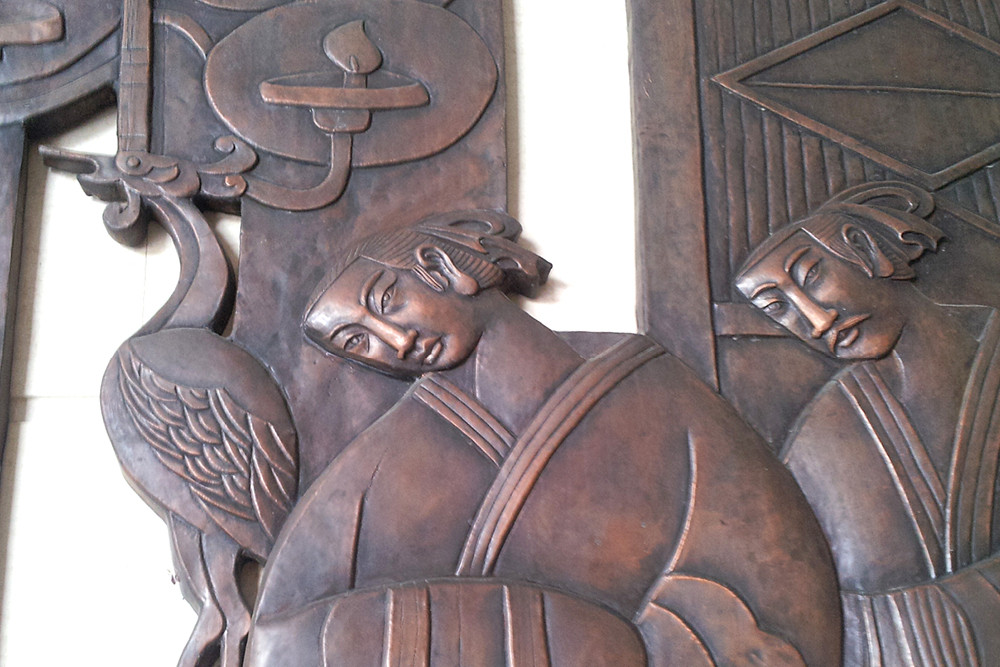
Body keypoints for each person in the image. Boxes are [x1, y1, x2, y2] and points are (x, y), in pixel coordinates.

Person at [245, 210, 842, 666]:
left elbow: (778, 576)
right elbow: (283, 637)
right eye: (358, 342)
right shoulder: (384, 460)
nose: (396, 342)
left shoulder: (649, 384)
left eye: (387, 301)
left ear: (442, 267)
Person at [735, 182, 1000, 666]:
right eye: (777, 307)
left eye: (812, 276)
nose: (816, 321)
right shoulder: (820, 438)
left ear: (867, 251)